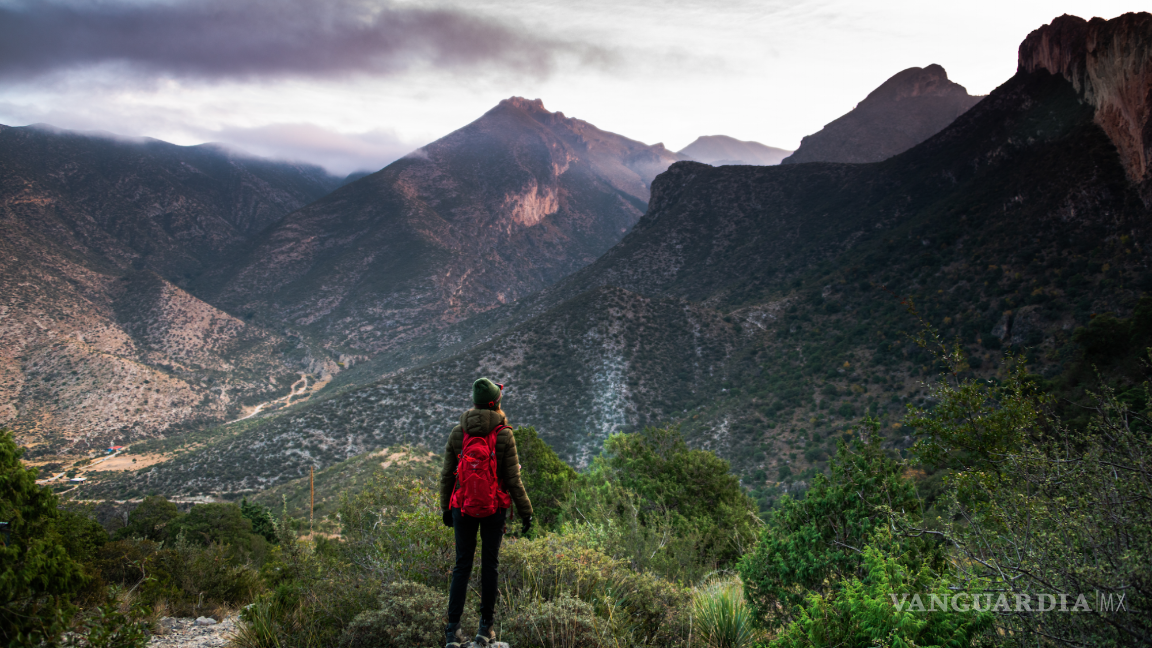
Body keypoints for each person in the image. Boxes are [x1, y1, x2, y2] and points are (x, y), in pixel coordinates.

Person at [441, 378, 533, 648]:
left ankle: (452, 633)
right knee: (489, 567)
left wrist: (446, 507)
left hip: (462, 507)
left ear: (474, 402)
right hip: (494, 508)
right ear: (495, 404)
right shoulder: (504, 433)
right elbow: (513, 479)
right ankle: (485, 631)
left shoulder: (459, 432)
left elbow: (447, 475)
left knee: (461, 567)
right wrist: (526, 512)